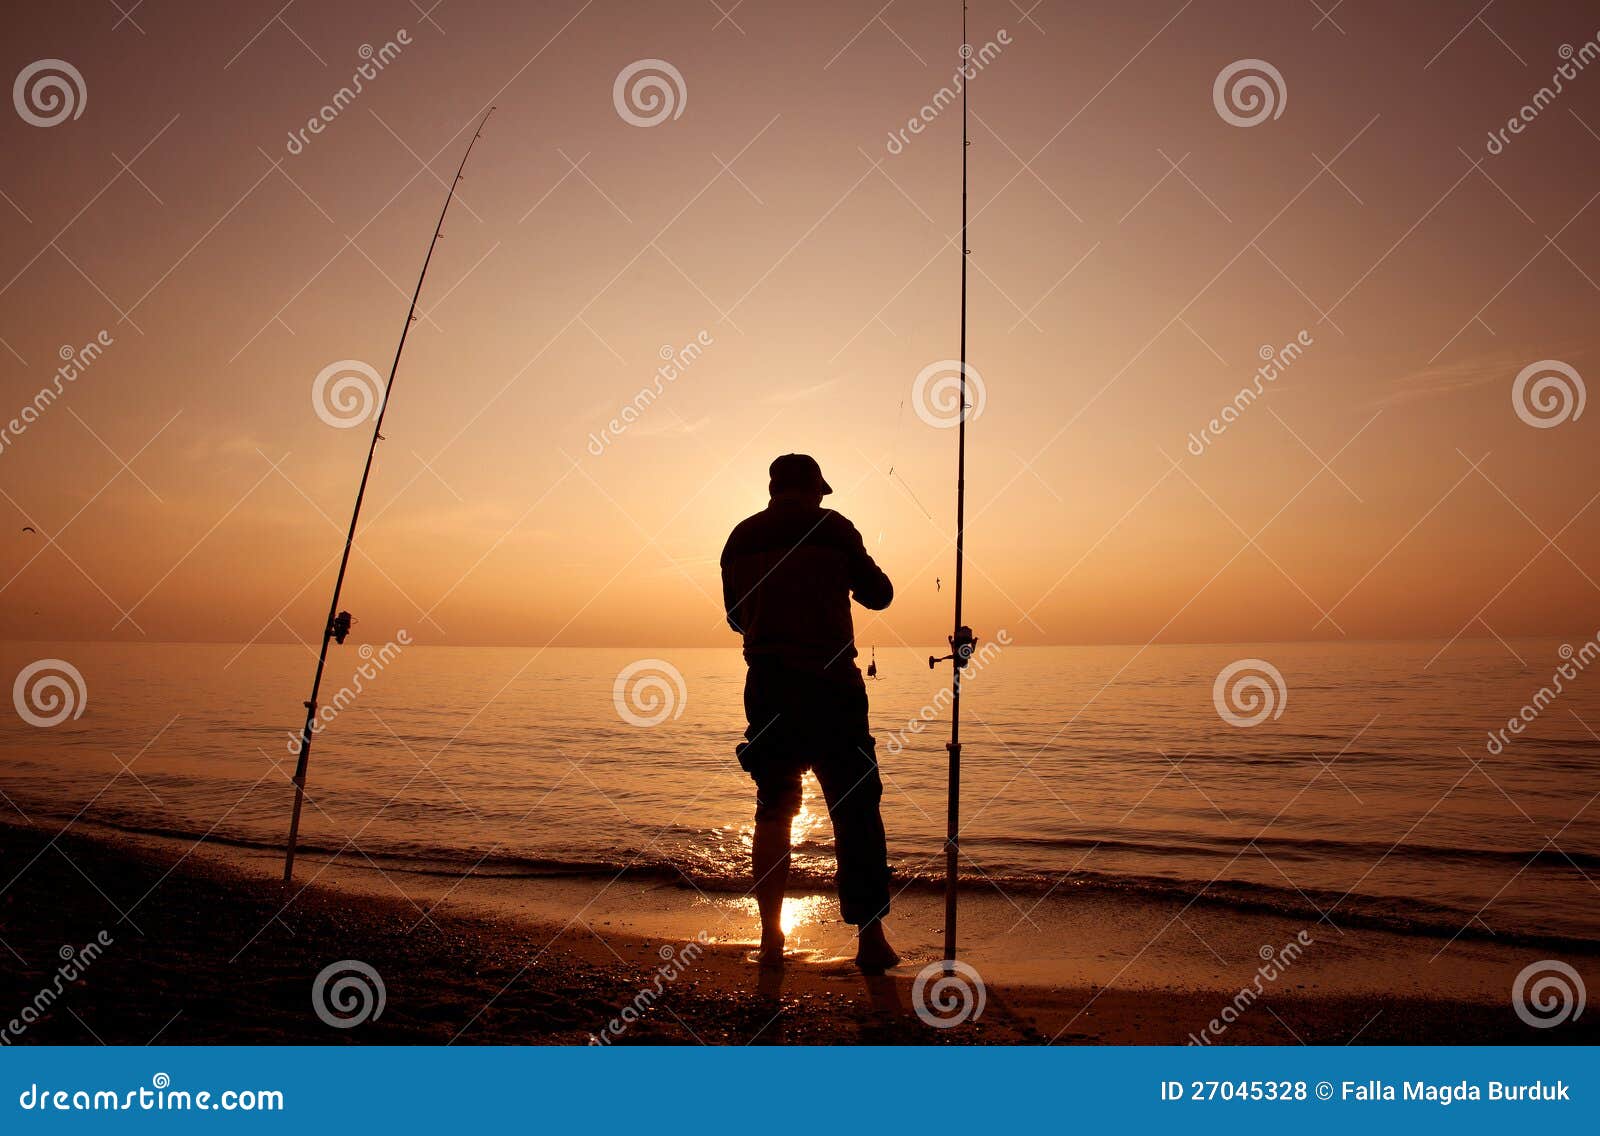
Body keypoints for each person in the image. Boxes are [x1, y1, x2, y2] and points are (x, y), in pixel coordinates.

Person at [720, 454, 899, 974]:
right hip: (833, 692)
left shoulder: (740, 537)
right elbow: (880, 596)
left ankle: (771, 939)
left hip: (769, 688)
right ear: (813, 490)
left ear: (775, 488)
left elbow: (735, 618)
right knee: (855, 811)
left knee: (774, 809)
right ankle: (871, 942)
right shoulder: (835, 529)